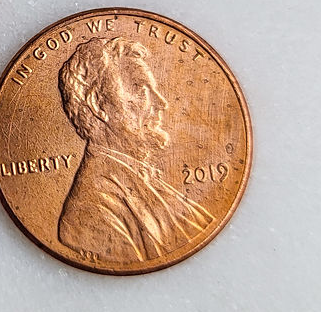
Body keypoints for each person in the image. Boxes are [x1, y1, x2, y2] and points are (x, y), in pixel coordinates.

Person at [57, 36, 213, 264]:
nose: (161, 103)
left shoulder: (153, 185)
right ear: (99, 105)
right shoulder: (91, 214)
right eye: (141, 90)